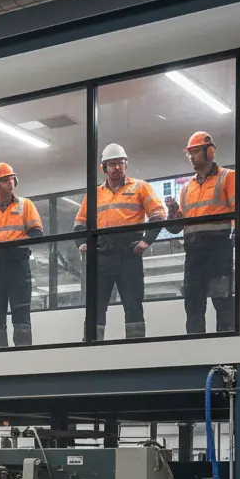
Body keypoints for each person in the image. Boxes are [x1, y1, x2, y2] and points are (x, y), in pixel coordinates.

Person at [74, 143, 166, 340]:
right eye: (112, 164)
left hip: (129, 254)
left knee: (133, 304)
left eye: (120, 163)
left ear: (127, 165)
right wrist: (82, 243)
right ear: (103, 168)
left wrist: (146, 241)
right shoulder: (94, 194)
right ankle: (91, 348)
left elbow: (158, 214)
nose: (116, 168)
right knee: (95, 306)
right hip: (102, 255)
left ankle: (135, 348)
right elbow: (80, 222)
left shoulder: (140, 187)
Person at [163, 131, 235, 334]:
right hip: (194, 253)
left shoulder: (227, 178)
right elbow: (176, 227)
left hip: (219, 251)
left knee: (224, 304)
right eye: (190, 154)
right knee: (193, 306)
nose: (192, 157)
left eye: (195, 152)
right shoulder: (187, 188)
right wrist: (174, 213)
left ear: (210, 152)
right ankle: (197, 354)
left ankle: (227, 359)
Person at [0, 163, 44, 347]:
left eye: (11, 179)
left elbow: (36, 232)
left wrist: (14, 246)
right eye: (4, 180)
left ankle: (23, 356)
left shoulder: (25, 205)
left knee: (21, 313)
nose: (9, 183)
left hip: (18, 264)